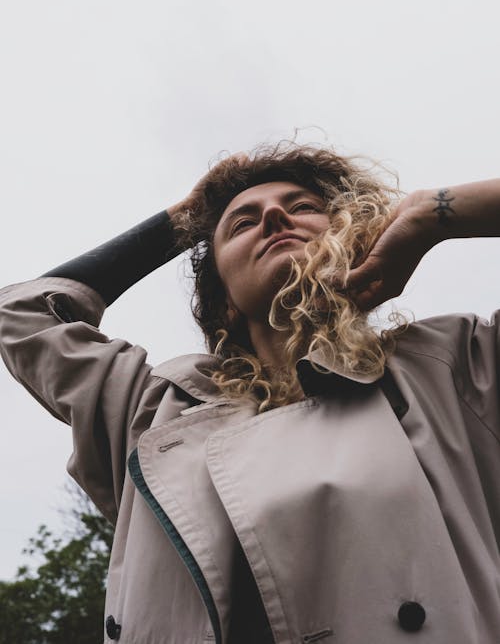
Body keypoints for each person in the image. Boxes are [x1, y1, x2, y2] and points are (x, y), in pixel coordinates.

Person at [0, 142, 499, 644]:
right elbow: (21, 315)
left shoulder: (454, 367)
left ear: (354, 238)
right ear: (226, 303)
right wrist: (187, 218)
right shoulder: (150, 412)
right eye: (241, 223)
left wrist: (427, 216)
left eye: (303, 207)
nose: (276, 215)